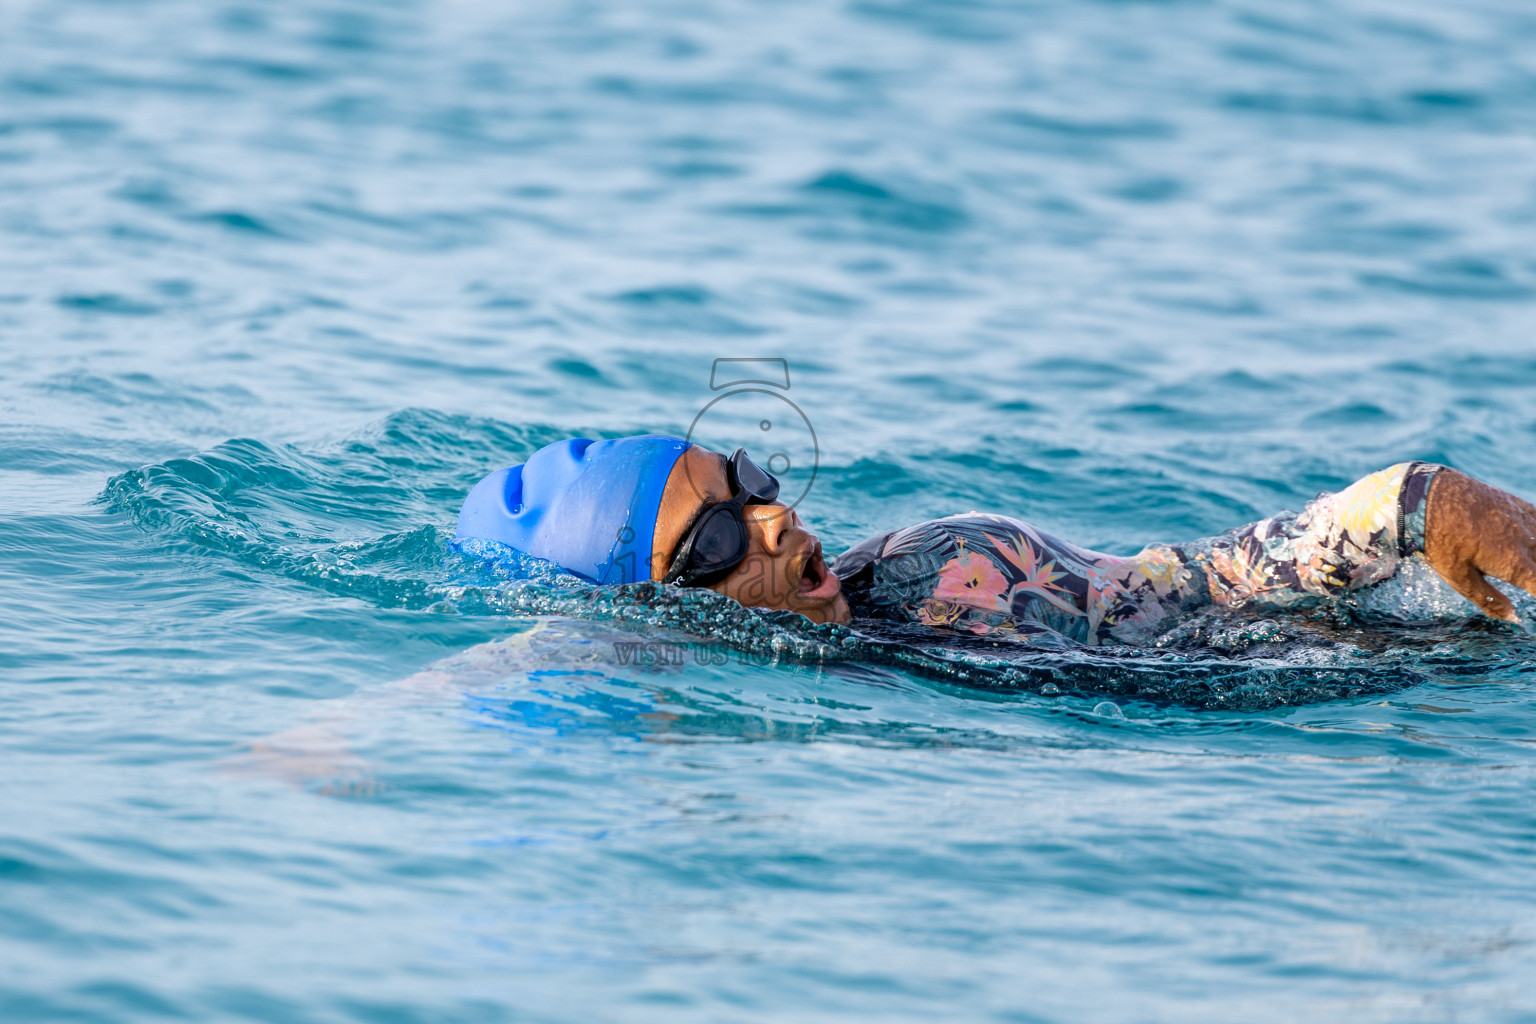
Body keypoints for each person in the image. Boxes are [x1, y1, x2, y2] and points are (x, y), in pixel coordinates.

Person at [455, 435, 1536, 645]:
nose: (774, 515)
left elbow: (1203, 587)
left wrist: (1409, 504)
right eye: (721, 533)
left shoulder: (961, 572)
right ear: (665, 602)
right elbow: (563, 643)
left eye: (749, 479)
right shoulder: (666, 641)